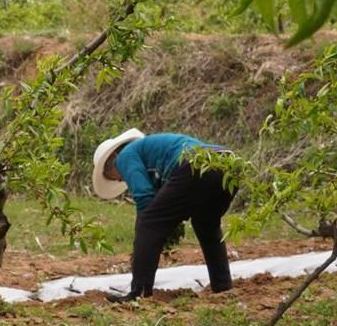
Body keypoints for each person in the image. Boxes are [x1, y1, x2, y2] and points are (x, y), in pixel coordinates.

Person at [91, 128, 235, 301]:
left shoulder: (125, 155)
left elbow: (144, 197)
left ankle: (139, 292)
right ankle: (223, 287)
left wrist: (144, 235)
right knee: (206, 224)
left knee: (149, 222)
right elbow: (170, 201)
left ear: (113, 157)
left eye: (113, 176)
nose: (120, 180)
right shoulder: (150, 151)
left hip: (195, 165)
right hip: (227, 163)